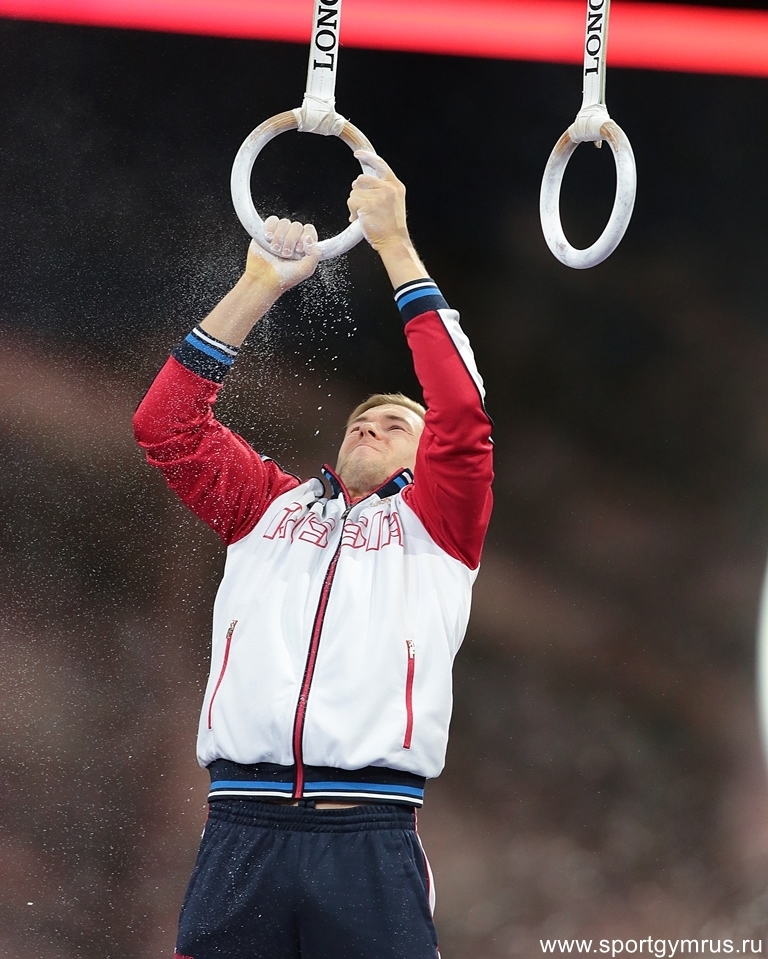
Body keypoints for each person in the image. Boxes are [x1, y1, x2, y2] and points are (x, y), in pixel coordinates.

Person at [133, 152, 493, 959]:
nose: (371, 424)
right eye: (364, 417)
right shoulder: (267, 507)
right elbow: (166, 426)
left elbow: (462, 411)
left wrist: (394, 244)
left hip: (366, 835)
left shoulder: (439, 528)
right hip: (237, 832)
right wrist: (258, 284)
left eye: (397, 424)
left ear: (429, 458)